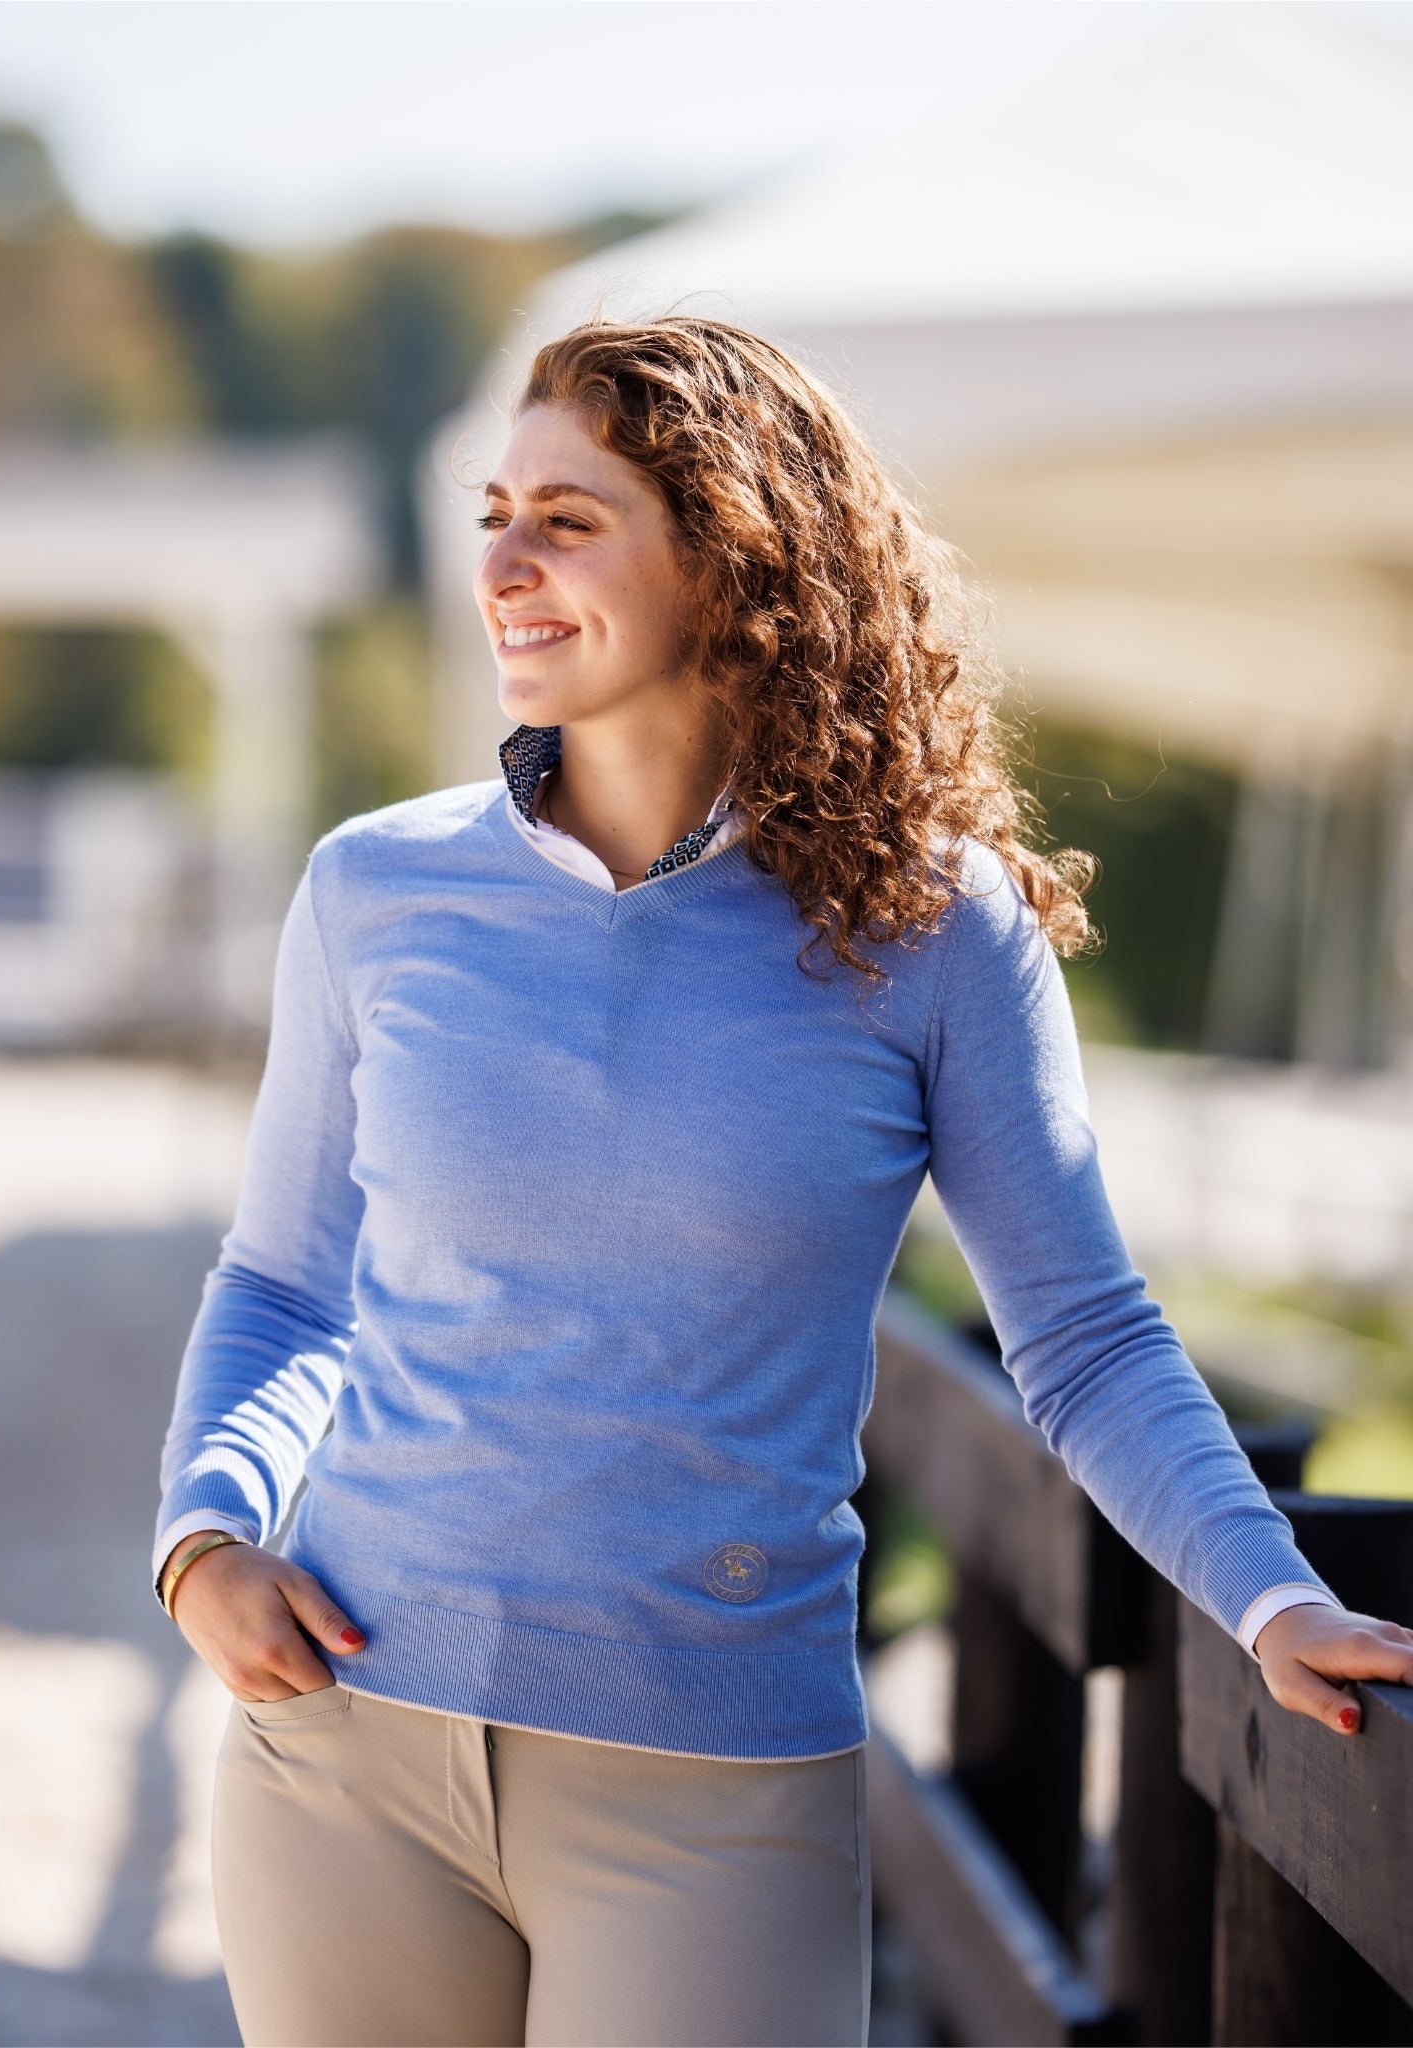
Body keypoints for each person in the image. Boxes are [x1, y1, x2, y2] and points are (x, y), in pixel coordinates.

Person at [154, 318, 1413, 2048]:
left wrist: (1269, 1596)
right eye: (494, 513)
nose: (503, 566)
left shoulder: (936, 930)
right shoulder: (373, 890)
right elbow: (287, 1281)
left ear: (736, 556)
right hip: (344, 1747)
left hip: (717, 1789)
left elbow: (1089, 1340)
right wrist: (206, 1535)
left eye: (571, 521)